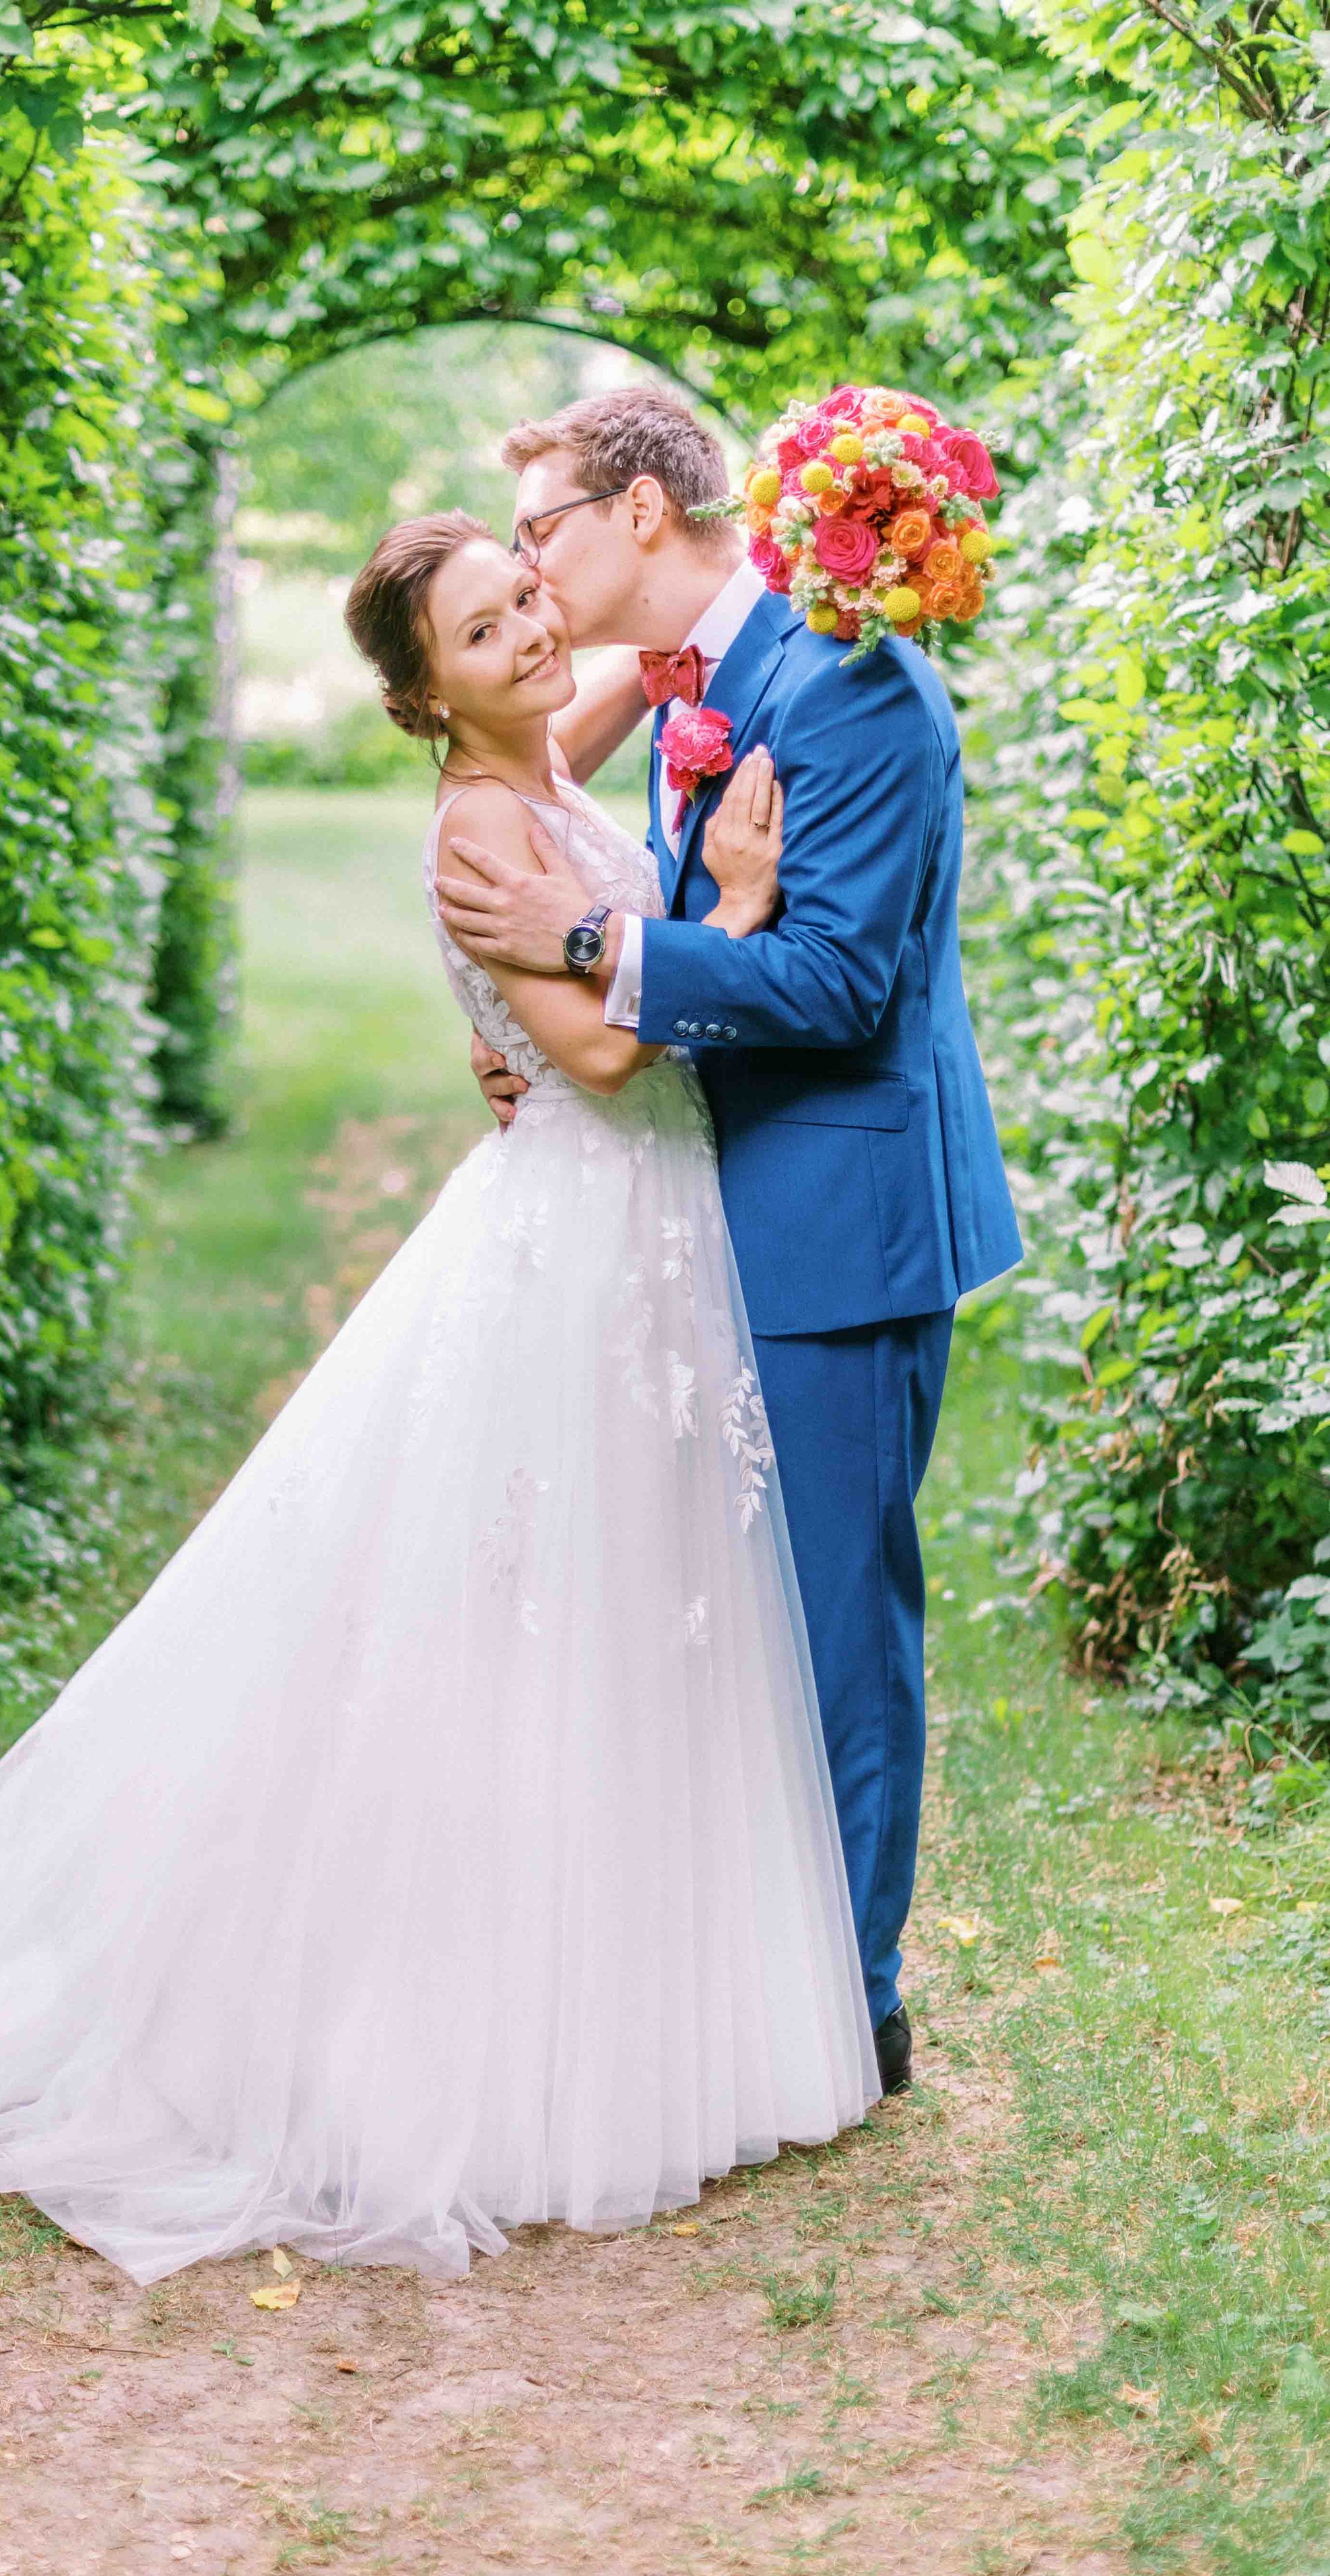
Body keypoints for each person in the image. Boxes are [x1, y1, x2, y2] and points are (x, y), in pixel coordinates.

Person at [0, 511, 879, 2288]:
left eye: (523, 599)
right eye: (480, 628)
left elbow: (625, 706)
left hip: (654, 1237)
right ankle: (457, 2035)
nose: (523, 632)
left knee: (646, 1606)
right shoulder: (480, 831)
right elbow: (592, 1051)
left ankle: (649, 1987)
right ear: (420, 695)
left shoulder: (550, 758)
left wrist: (712, 649)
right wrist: (730, 905)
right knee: (524, 1614)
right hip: (580, 1236)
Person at [436, 387, 1022, 2096]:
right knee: (717, 1612)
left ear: (635, 509)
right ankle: (738, 1969)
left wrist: (597, 947)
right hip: (700, 1206)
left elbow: (840, 986)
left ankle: (850, 2005)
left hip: (836, 1219)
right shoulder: (703, 687)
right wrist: (550, 1023)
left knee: (833, 1615)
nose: (532, 573)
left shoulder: (850, 686)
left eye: (539, 529)